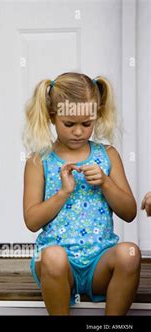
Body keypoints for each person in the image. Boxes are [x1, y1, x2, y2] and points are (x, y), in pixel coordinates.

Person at [22, 72, 141, 315]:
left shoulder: (108, 156)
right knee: (53, 256)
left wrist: (106, 183)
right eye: (69, 124)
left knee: (130, 254)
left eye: (87, 124)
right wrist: (63, 193)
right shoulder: (39, 161)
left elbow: (129, 212)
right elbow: (32, 221)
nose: (79, 132)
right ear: (53, 117)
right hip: (58, 269)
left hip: (100, 263)